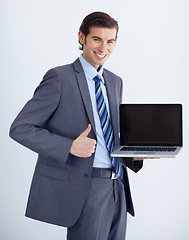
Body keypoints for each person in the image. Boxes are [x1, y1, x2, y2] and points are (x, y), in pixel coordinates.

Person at [9, 12, 143, 240]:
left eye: (110, 41)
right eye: (96, 39)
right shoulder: (60, 78)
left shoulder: (115, 81)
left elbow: (110, 134)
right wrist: (69, 146)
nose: (104, 48)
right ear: (81, 37)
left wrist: (134, 155)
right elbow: (20, 128)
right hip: (87, 186)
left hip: (118, 185)